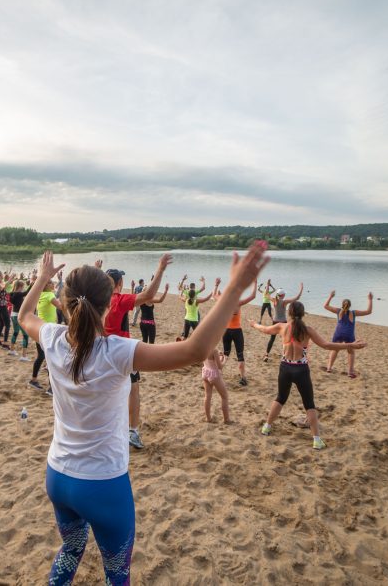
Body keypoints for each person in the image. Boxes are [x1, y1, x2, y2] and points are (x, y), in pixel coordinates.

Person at [18, 243, 268, 584]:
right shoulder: (117, 351)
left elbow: (23, 316)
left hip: (58, 477)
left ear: (63, 303)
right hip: (103, 484)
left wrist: (42, 278)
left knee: (71, 550)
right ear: (109, 307)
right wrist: (235, 289)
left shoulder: (52, 337)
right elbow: (195, 350)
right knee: (117, 574)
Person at [251, 301, 366, 449]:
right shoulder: (308, 330)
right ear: (303, 313)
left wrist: (254, 324)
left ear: (289, 313)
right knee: (309, 404)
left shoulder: (282, 327)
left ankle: (266, 427)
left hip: (285, 367)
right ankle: (316, 440)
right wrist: (350, 345)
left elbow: (265, 329)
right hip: (301, 370)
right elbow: (327, 345)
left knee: (280, 398)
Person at [101, 255, 173, 450]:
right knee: (134, 389)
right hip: (123, 352)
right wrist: (160, 269)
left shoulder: (98, 300)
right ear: (120, 283)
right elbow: (149, 295)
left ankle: (109, 429)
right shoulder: (119, 299)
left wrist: (96, 270)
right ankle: (132, 431)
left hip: (101, 352)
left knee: (109, 392)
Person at [213, 277, 256, 386]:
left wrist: (216, 285)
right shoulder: (238, 303)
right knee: (240, 355)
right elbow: (253, 296)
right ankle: (243, 378)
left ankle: (218, 374)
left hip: (226, 331)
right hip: (237, 331)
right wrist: (255, 283)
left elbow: (214, 296)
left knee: (226, 353)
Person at [323, 290, 373, 378]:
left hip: (338, 333)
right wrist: (370, 299)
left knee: (335, 349)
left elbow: (325, 306)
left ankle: (329, 368)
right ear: (350, 306)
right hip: (349, 334)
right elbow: (368, 311)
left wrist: (331, 296)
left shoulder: (338, 311)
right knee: (351, 351)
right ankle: (350, 372)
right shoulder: (353, 313)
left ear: (342, 305)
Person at [31, 278, 63, 390]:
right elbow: (61, 306)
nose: (53, 284)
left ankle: (33, 380)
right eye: (50, 282)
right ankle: (51, 388)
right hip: (47, 331)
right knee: (50, 358)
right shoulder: (49, 295)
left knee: (41, 356)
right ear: (45, 285)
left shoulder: (41, 295)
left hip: (39, 328)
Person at [263, 284, 303, 362]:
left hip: (275, 322)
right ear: (283, 295)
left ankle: (266, 354)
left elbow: (266, 294)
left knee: (272, 339)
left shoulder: (275, 300)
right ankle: (285, 355)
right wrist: (301, 289)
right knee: (285, 339)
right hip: (283, 323)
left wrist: (268, 285)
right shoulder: (285, 302)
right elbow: (297, 297)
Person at [202, 347, 231, 423]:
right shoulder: (214, 350)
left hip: (206, 372)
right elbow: (220, 367)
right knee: (224, 396)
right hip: (214, 375)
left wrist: (219, 355)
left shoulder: (203, 347)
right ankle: (226, 419)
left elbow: (212, 361)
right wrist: (225, 359)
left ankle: (208, 418)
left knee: (207, 396)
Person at [7, 280, 30, 360]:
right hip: (19, 316)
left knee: (16, 332)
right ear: (20, 287)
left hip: (13, 315)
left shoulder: (11, 293)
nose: (23, 289)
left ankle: (12, 350)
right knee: (25, 335)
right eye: (22, 287)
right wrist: (33, 284)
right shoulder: (18, 294)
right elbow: (27, 292)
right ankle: (24, 356)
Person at [0, 270, 12, 349]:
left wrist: (9, 278)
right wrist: (10, 278)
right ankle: (5, 343)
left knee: (2, 323)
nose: (3, 275)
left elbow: (5, 284)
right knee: (7, 324)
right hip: (1, 306)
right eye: (1, 274)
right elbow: (4, 286)